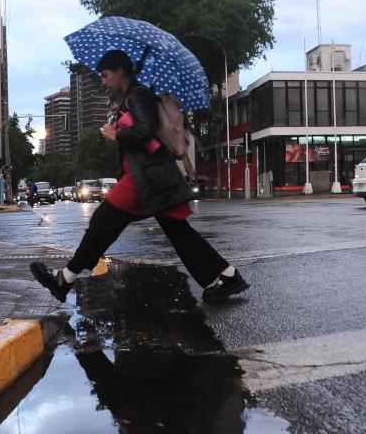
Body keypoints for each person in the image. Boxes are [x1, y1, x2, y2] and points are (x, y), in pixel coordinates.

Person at [30, 49, 248, 303]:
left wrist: (117, 134)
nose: (103, 81)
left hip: (145, 178)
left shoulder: (138, 95)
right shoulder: (133, 96)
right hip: (150, 176)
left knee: (102, 223)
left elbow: (145, 131)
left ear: (120, 71)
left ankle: (64, 279)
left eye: (105, 75)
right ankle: (227, 276)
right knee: (178, 232)